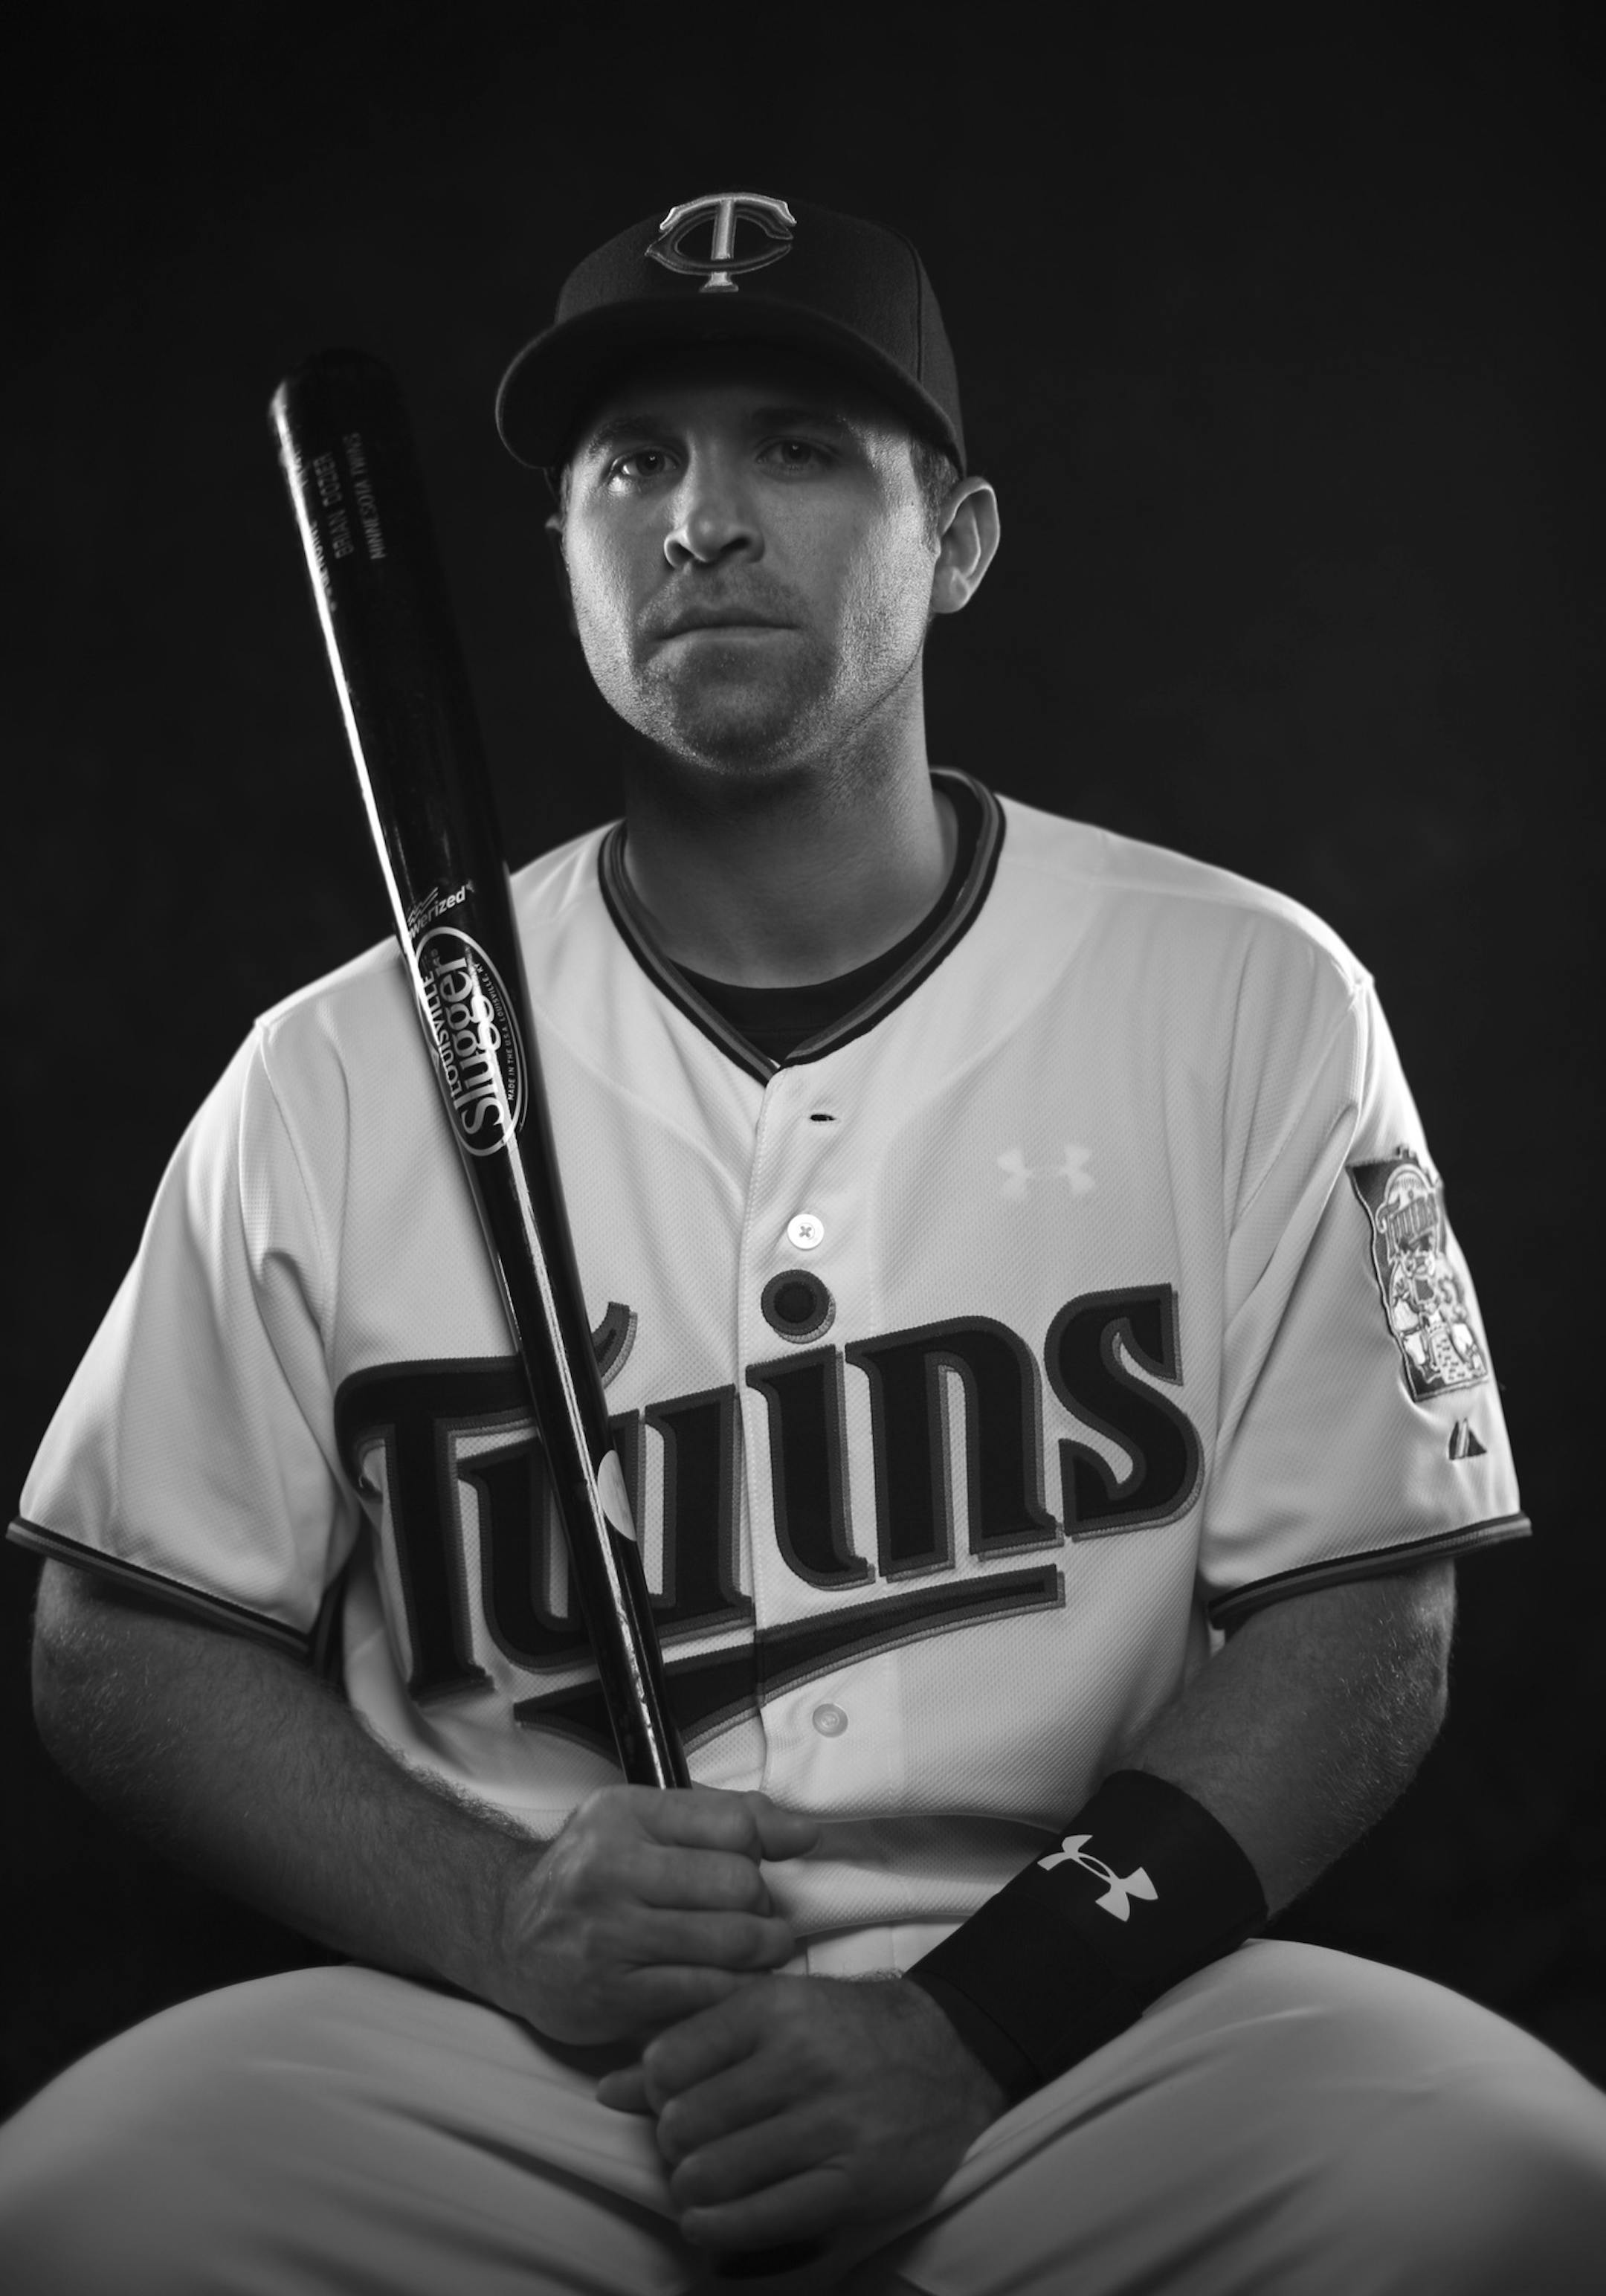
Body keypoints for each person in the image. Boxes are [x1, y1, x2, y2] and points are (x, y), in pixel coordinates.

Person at [4, 190, 1605, 2295]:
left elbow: (1363, 1629)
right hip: (520, 2043)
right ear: (569, 554)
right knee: (88, 2207)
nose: (705, 521)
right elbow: (118, 1645)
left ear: (959, 542)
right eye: (634, 463)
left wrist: (976, 2023)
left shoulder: (1242, 996)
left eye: (798, 447)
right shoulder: (332, 1071)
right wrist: (491, 1916)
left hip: (1081, 2024)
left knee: (1519, 2184)